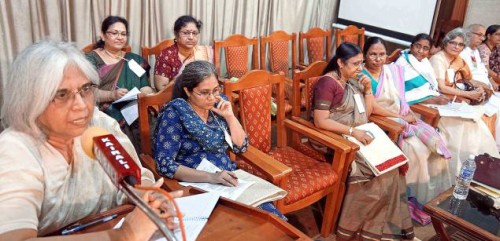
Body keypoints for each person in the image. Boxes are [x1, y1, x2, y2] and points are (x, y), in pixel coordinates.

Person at [0, 40, 181, 241]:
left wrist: (150, 198)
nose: (81, 105)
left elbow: (138, 180)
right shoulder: (15, 148)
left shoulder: (100, 124)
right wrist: (125, 235)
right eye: (61, 94)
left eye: (85, 89)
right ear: (31, 100)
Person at [153, 60, 286, 220]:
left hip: (228, 178)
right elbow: (164, 165)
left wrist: (229, 117)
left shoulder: (219, 104)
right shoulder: (174, 114)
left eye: (215, 90)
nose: (211, 98)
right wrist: (212, 177)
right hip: (196, 184)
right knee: (235, 226)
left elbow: (240, 147)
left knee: (268, 219)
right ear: (188, 91)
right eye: (204, 92)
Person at [312, 43, 414, 240]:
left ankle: (383, 227)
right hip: (333, 138)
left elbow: (366, 114)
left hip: (357, 133)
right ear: (340, 63)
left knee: (393, 165)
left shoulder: (353, 80)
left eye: (361, 63)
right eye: (355, 64)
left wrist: (367, 89)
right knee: (374, 175)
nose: (360, 68)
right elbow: (320, 121)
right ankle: (357, 228)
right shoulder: (328, 83)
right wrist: (352, 132)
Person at [362, 37, 451, 212]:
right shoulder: (361, 75)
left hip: (397, 115)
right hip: (377, 120)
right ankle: (400, 194)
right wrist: (398, 116)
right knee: (416, 150)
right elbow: (370, 108)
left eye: (382, 54)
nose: (378, 59)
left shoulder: (390, 71)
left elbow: (399, 97)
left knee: (432, 144)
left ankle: (417, 194)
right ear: (365, 55)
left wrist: (405, 111)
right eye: (373, 54)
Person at [428, 29, 499, 174]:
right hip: (439, 100)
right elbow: (441, 87)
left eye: (460, 44)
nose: (456, 47)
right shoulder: (438, 59)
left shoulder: (459, 60)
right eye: (452, 43)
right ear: (445, 42)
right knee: (467, 126)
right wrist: (468, 95)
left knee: (477, 126)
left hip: (456, 100)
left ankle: (480, 171)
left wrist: (479, 89)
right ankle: (459, 170)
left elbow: (468, 79)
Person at [86, 15, 154, 151]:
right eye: (114, 33)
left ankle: (144, 161)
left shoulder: (134, 60)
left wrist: (144, 94)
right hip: (102, 113)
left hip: (135, 110)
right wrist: (112, 95)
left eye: (123, 34)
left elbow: (146, 86)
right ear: (103, 35)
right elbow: (87, 92)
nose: (120, 37)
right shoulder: (90, 59)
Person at [154, 15, 213, 91]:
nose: (191, 37)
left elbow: (211, 79)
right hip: (175, 97)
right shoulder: (166, 55)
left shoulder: (202, 52)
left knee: (223, 99)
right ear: (176, 34)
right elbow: (161, 88)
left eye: (194, 33)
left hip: (202, 94)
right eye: (186, 33)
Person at [394, 34, 449, 105]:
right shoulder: (402, 63)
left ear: (429, 51)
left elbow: (429, 85)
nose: (420, 51)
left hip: (425, 99)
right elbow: (399, 93)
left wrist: (434, 96)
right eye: (417, 46)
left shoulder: (425, 62)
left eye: (425, 48)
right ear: (411, 47)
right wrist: (430, 100)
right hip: (409, 105)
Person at [461, 24, 497, 90]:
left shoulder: (476, 51)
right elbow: (464, 77)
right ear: (468, 34)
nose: (482, 38)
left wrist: (491, 81)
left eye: (483, 36)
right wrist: (483, 86)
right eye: (479, 35)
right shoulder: (462, 51)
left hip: (487, 88)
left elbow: (483, 70)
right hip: (474, 89)